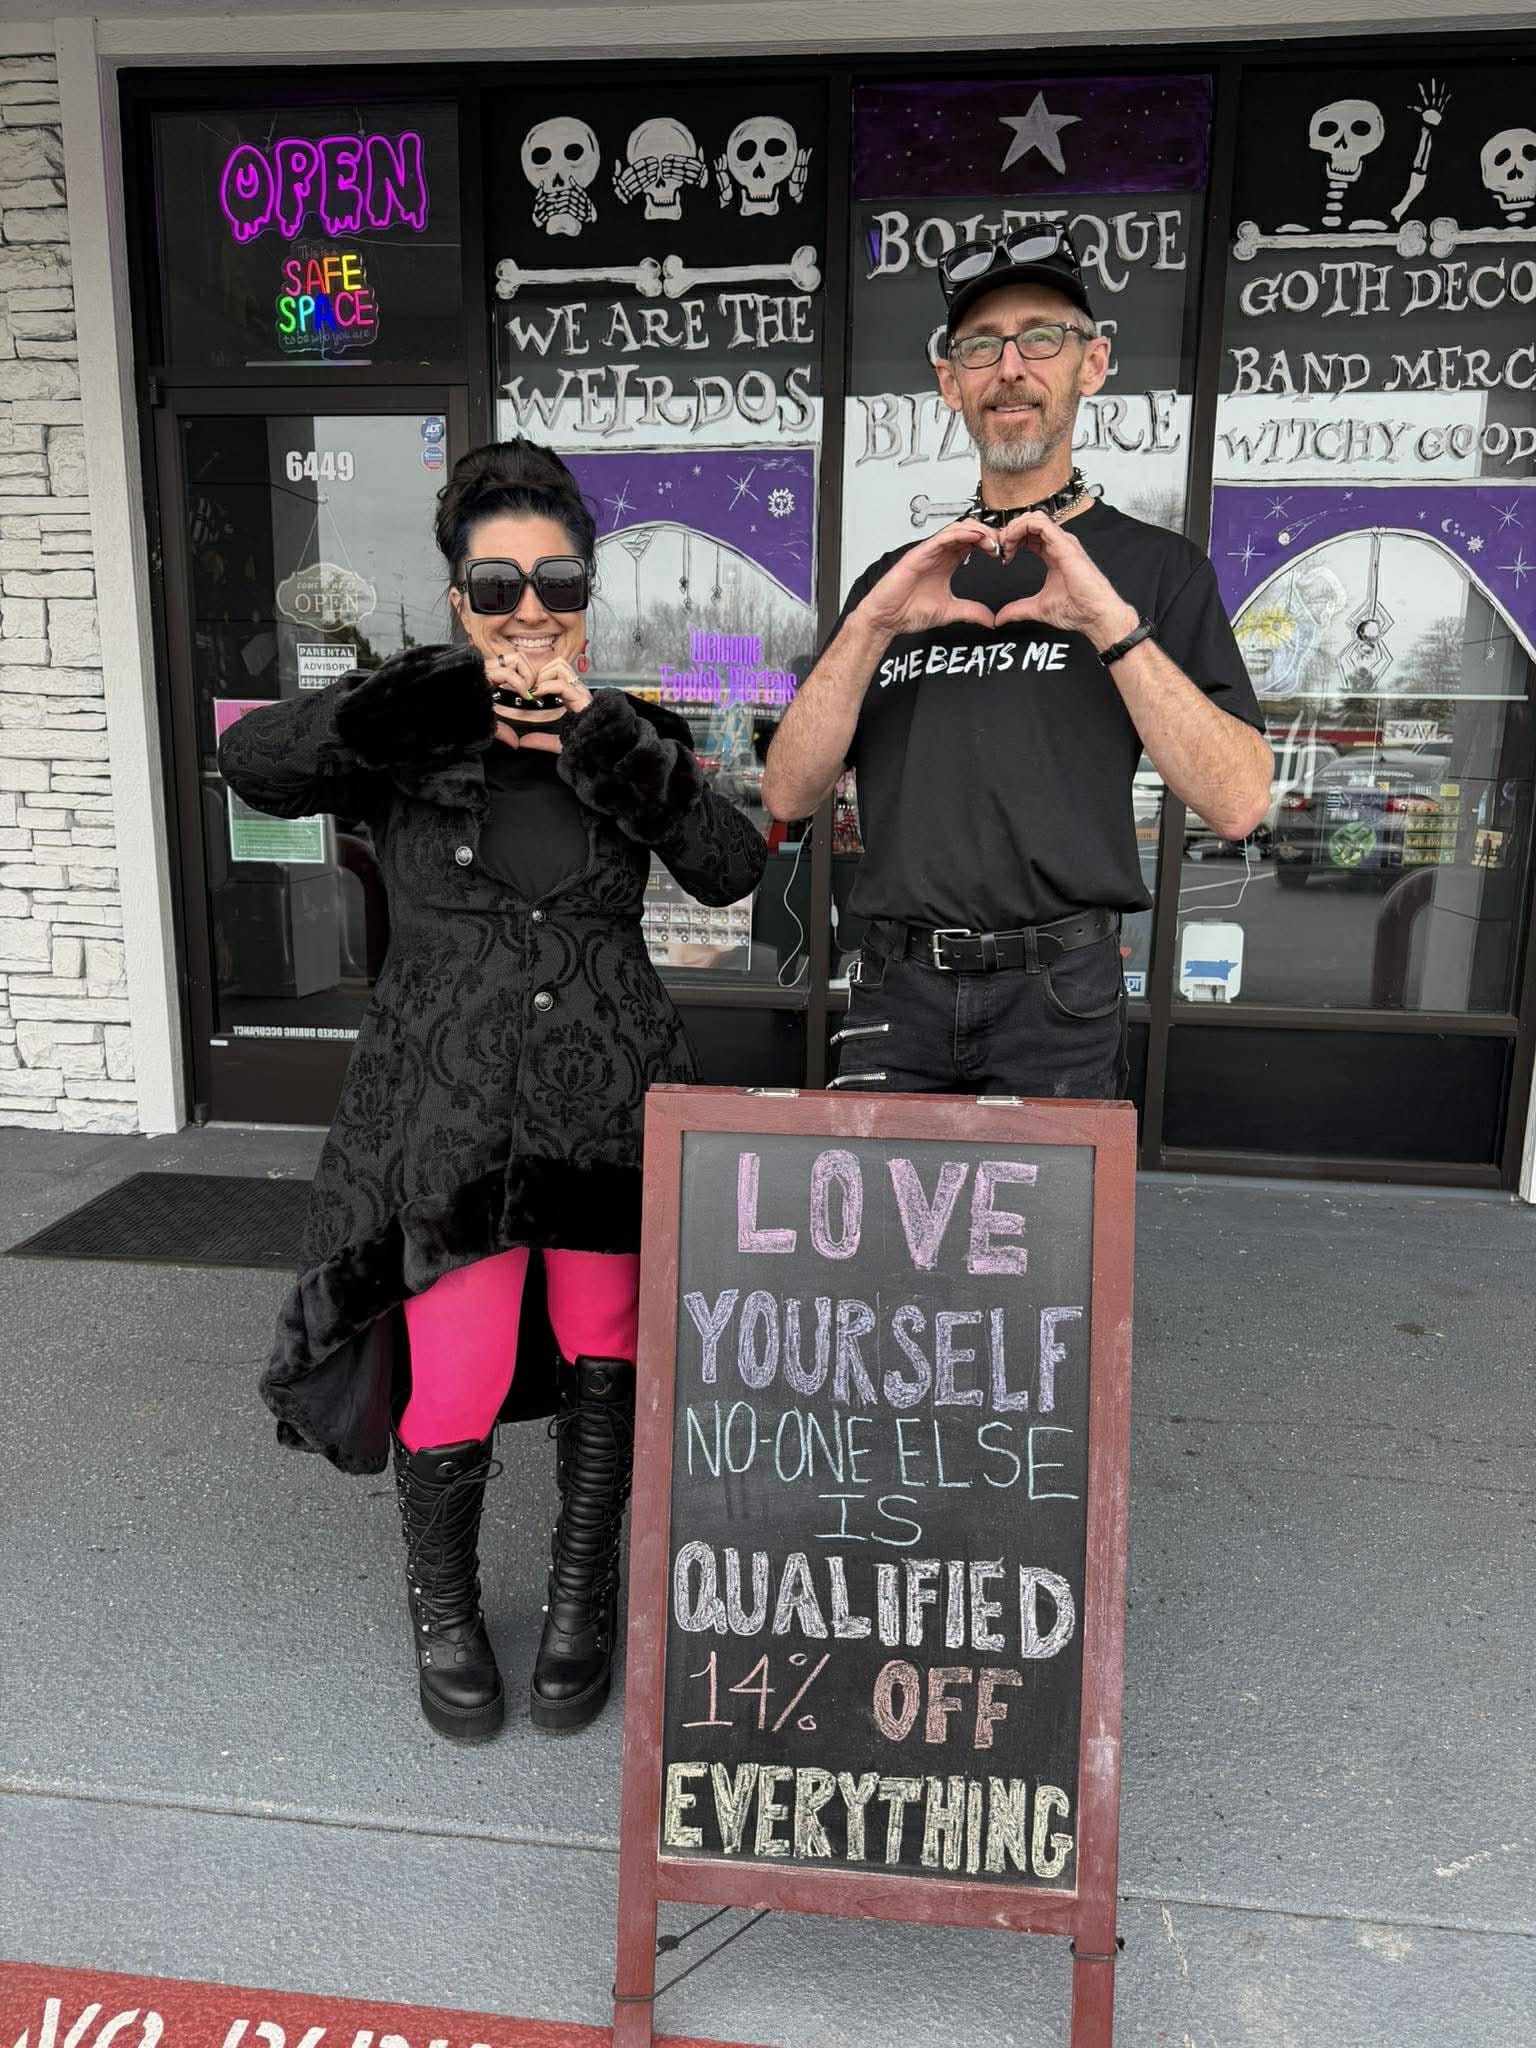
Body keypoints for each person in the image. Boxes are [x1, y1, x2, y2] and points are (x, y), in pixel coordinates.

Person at [218, 439, 766, 1742]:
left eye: (558, 580)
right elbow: (257, 766)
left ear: (589, 593)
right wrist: (438, 692)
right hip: (451, 1125)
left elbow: (732, 862)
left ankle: (583, 1598)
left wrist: (593, 731)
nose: (532, 607)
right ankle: (444, 1606)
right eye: (498, 582)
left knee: (604, 1360)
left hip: (603, 1116)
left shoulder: (635, 736)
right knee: (451, 1379)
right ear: (460, 596)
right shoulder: (406, 745)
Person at [762, 223, 1272, 1096]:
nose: (1011, 367)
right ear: (949, 382)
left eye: (1042, 337)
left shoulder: (1158, 571)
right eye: (981, 346)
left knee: (1054, 1237)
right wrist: (872, 625)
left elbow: (1237, 799)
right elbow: (788, 793)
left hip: (1061, 1000)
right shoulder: (897, 582)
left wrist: (1109, 624)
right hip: (898, 990)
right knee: (884, 1235)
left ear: (1093, 363)